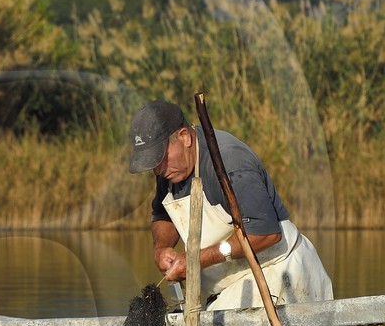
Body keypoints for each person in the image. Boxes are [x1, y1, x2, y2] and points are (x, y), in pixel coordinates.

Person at [127, 100, 333, 308]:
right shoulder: (169, 170)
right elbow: (162, 215)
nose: (157, 170)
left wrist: (196, 260)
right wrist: (161, 249)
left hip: (279, 274)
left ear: (184, 137)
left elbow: (265, 233)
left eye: (159, 158)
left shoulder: (229, 163)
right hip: (228, 289)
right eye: (151, 163)